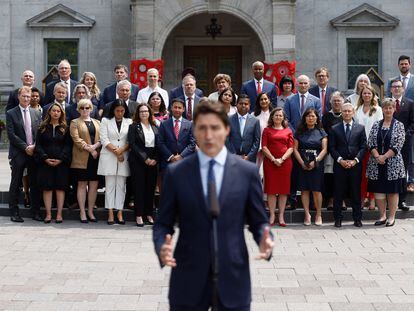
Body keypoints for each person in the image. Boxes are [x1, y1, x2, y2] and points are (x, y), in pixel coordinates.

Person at [153, 100, 273, 310]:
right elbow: (163, 223)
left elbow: (259, 222)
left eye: (215, 128)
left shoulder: (247, 172)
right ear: (195, 132)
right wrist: (161, 244)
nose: (209, 136)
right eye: (202, 128)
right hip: (188, 278)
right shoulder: (176, 173)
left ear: (226, 129)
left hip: (233, 278)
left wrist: (265, 239)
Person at [367, 98, 406, 227]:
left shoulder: (399, 125)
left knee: (392, 190)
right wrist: (377, 156)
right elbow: (371, 142)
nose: (388, 110)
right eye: (385, 108)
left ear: (394, 109)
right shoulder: (376, 124)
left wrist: (384, 157)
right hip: (376, 163)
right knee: (379, 190)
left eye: (390, 108)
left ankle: (391, 217)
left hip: (393, 164)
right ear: (382, 109)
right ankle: (382, 216)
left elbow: (398, 144)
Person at [6, 86, 42, 222]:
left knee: (34, 183)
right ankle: (14, 212)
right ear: (18, 97)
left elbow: (39, 133)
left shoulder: (36, 113)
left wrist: (34, 146)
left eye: (29, 96)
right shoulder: (11, 113)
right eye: (24, 96)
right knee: (16, 183)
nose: (27, 99)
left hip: (33, 152)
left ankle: (35, 212)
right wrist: (25, 147)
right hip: (19, 153)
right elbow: (11, 134)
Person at [329, 102, 367, 228]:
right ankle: (338, 219)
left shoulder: (360, 128)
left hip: (355, 166)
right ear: (341, 112)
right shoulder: (335, 128)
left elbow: (363, 147)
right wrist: (340, 160)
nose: (346, 113)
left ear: (353, 112)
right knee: (338, 193)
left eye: (349, 111)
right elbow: (332, 148)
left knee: (355, 193)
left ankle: (357, 219)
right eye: (344, 111)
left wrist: (355, 160)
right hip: (340, 165)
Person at [34, 103, 71, 223]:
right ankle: (48, 214)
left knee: (60, 188)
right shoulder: (42, 128)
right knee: (47, 188)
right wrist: (45, 158)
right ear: (49, 112)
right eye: (54, 111)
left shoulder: (65, 128)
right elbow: (38, 145)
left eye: (58, 111)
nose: (56, 113)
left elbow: (68, 146)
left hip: (61, 163)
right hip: (45, 162)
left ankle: (59, 214)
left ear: (61, 113)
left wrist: (61, 159)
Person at [97, 99, 132, 225]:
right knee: (110, 186)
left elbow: (130, 140)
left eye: (122, 111)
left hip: (124, 156)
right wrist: (117, 152)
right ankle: (110, 212)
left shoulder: (129, 121)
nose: (120, 113)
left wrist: (121, 151)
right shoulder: (105, 121)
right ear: (113, 110)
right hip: (109, 156)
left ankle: (120, 212)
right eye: (117, 111)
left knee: (121, 186)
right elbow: (104, 139)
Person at [293, 108, 328, 226]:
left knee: (316, 190)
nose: (310, 118)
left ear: (317, 118)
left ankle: (318, 214)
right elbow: (295, 149)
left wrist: (316, 161)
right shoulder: (299, 132)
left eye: (313, 116)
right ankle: (307, 214)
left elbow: (324, 150)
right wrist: (302, 163)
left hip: (317, 163)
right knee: (304, 190)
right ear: (304, 118)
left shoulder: (322, 132)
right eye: (308, 116)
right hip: (302, 163)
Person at [70, 99, 101, 223]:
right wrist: (90, 149)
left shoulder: (97, 122)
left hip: (95, 158)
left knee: (93, 185)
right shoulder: (74, 122)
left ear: (91, 109)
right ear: (78, 109)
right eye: (82, 108)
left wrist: (95, 148)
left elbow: (102, 138)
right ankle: (82, 211)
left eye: (87, 108)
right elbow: (76, 139)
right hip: (81, 158)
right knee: (82, 185)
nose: (85, 110)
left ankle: (90, 211)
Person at [261, 107, 293, 227]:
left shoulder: (288, 130)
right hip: (270, 163)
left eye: (280, 115)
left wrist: (282, 159)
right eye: (276, 115)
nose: (278, 117)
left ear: (283, 118)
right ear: (272, 117)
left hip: (285, 163)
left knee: (283, 191)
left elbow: (291, 147)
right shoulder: (267, 130)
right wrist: (273, 159)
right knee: (271, 190)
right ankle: (272, 215)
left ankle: (281, 216)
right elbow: (264, 146)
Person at [128, 103, 159, 227]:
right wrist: (145, 158)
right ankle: (139, 215)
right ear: (138, 114)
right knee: (139, 188)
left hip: (153, 161)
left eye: (146, 111)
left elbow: (159, 144)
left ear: (150, 113)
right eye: (141, 111)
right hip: (138, 161)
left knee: (150, 189)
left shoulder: (155, 126)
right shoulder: (134, 127)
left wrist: (155, 159)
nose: (144, 113)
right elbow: (132, 144)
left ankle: (149, 214)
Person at [354, 85, 383, 210]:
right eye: (364, 93)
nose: (366, 95)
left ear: (373, 95)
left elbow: (379, 128)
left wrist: (372, 144)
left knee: (372, 174)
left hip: (373, 146)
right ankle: (362, 198)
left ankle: (372, 199)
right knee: (361, 174)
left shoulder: (377, 109)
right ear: (361, 95)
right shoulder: (357, 109)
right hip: (360, 146)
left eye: (369, 93)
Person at [389, 78, 414, 211]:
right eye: (394, 86)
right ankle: (390, 199)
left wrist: (405, 135)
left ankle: (402, 200)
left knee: (402, 171)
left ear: (403, 88)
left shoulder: (410, 103)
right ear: (391, 89)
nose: (397, 88)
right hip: (388, 143)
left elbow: (412, 122)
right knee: (389, 170)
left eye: (399, 86)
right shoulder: (386, 103)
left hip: (405, 143)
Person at [158, 99, 196, 172]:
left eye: (179, 108)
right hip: (168, 162)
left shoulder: (189, 124)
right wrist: (171, 156)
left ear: (183, 109)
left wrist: (181, 156)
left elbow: (192, 143)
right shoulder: (164, 124)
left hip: (185, 161)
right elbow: (160, 142)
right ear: (171, 108)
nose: (177, 110)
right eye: (175, 107)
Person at [322, 91, 345, 210]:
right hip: (330, 151)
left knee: (342, 176)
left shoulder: (346, 115)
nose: (336, 103)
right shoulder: (326, 116)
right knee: (330, 176)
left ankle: (342, 200)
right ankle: (331, 199)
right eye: (334, 100)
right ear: (330, 102)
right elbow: (324, 134)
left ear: (343, 102)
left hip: (344, 150)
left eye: (339, 100)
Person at [226, 95, 261, 162]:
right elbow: (227, 139)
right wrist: (234, 155)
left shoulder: (255, 121)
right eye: (241, 103)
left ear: (249, 105)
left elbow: (257, 141)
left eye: (246, 104)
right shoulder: (229, 119)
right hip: (232, 158)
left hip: (249, 159)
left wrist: (249, 156)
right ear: (236, 104)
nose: (243, 105)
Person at [252, 92, 273, 172]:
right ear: (258, 102)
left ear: (269, 100)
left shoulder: (274, 114)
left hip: (271, 146)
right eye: (261, 99)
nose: (264, 101)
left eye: (265, 99)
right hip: (258, 147)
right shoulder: (253, 115)